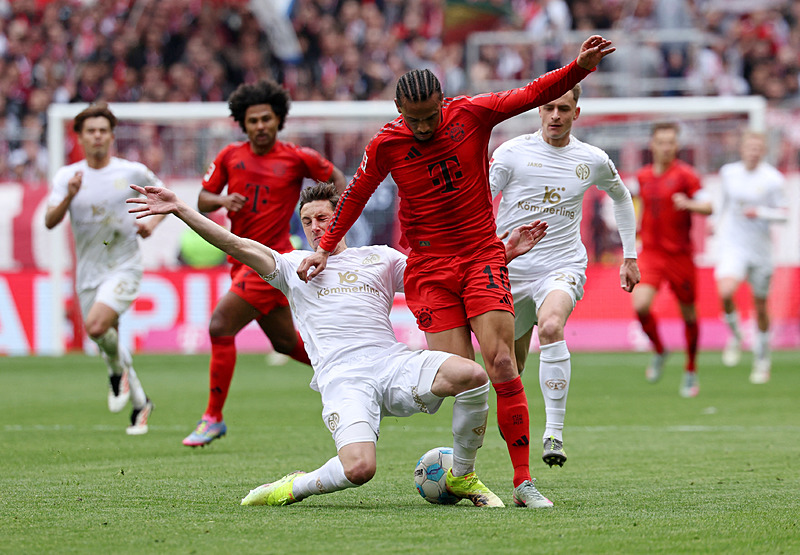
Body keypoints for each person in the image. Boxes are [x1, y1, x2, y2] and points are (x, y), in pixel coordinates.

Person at [295, 34, 615, 507]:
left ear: (442, 102)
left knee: (502, 362)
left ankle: (523, 481)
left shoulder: (472, 113)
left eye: (430, 116)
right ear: (399, 110)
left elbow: (531, 93)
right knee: (465, 375)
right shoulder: (385, 144)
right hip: (428, 269)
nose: (423, 126)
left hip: (481, 255)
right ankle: (460, 471)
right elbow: (356, 195)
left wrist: (579, 68)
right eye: (413, 119)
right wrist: (323, 247)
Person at [128, 182, 548, 508]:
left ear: (342, 217)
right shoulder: (292, 266)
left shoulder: (380, 258)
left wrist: (502, 254)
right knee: (361, 469)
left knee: (472, 375)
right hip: (343, 379)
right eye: (308, 220)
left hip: (391, 363)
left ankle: (462, 474)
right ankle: (295, 486)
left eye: (324, 217)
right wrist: (181, 210)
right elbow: (236, 245)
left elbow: (441, 276)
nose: (315, 227)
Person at [182, 80, 347, 447]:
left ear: (279, 120)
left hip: (272, 261)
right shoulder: (229, 156)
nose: (260, 126)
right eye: (253, 120)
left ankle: (213, 417)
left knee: (220, 325)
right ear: (243, 122)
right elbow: (202, 199)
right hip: (241, 262)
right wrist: (223, 202)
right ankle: (347, 373)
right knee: (286, 344)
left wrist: (331, 222)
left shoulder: (297, 157)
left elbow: (338, 182)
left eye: (266, 119)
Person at [489, 84, 639, 468]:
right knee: (509, 366)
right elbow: (478, 202)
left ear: (577, 113)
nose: (555, 115)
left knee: (552, 325)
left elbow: (621, 197)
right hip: (511, 269)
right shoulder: (510, 154)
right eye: (549, 108)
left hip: (561, 265)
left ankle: (553, 432)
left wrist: (630, 255)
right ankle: (515, 434)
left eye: (563, 108)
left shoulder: (592, 159)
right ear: (538, 112)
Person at [44, 103, 161, 435]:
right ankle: (140, 403)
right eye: (90, 131)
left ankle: (115, 374)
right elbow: (50, 222)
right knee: (104, 335)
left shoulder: (131, 172)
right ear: (79, 137)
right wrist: (68, 197)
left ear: (111, 136)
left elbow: (166, 198)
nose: (97, 136)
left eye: (102, 131)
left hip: (124, 265)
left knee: (96, 326)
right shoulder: (67, 176)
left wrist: (151, 222)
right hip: (88, 271)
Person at [630, 122, 712, 398]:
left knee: (688, 314)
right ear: (652, 145)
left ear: (677, 146)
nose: (666, 147)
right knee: (640, 305)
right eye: (661, 142)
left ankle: (690, 369)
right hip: (651, 253)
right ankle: (660, 350)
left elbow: (708, 205)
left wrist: (689, 204)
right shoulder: (641, 177)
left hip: (680, 256)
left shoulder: (686, 176)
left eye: (670, 142)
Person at [714, 131, 787, 384]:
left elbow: (785, 214)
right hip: (734, 246)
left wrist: (761, 213)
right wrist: (714, 224)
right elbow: (722, 202)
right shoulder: (728, 173)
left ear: (763, 151)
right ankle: (735, 335)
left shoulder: (773, 179)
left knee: (760, 306)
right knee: (725, 292)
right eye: (749, 147)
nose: (753, 152)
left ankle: (762, 359)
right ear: (742, 148)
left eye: (758, 148)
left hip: (761, 250)